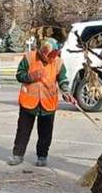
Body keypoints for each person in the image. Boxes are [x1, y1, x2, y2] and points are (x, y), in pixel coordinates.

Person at [7, 38, 75, 167]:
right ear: (43, 52)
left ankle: (42, 156)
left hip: (48, 102)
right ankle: (18, 155)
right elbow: (19, 75)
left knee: (45, 132)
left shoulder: (58, 62)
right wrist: (30, 77)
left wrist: (66, 92)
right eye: (49, 55)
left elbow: (62, 80)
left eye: (54, 55)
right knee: (23, 130)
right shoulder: (30, 57)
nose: (51, 58)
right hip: (29, 101)